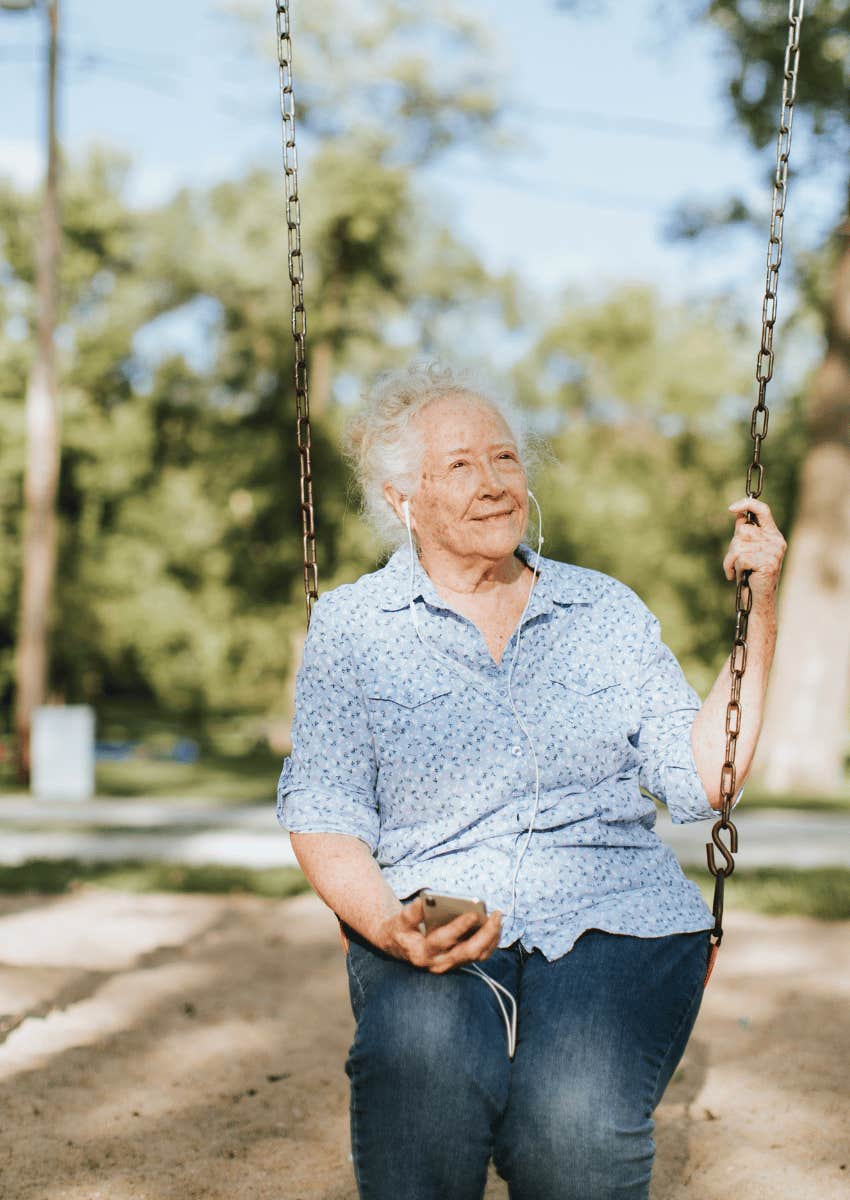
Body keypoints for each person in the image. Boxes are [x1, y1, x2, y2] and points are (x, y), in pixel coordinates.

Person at [277, 363, 786, 1200]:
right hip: (438, 901)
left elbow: (703, 779)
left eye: (505, 458)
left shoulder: (604, 611)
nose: (493, 483)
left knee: (570, 1134)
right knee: (424, 1070)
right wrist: (387, 927)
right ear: (403, 501)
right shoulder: (354, 627)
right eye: (459, 466)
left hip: (614, 908)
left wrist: (757, 610)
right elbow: (325, 811)